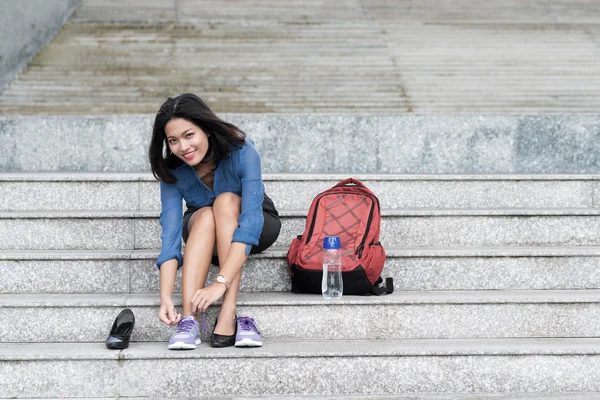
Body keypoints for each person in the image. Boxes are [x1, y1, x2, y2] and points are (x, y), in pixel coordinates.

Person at [148, 94, 281, 350]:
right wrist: (165, 297)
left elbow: (251, 222)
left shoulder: (243, 151)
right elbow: (171, 235)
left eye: (189, 135)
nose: (183, 147)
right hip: (204, 231)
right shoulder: (172, 170)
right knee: (207, 213)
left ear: (206, 130)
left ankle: (228, 310)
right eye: (173, 140)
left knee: (225, 201)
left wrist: (219, 284)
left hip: (255, 224)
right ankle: (188, 320)